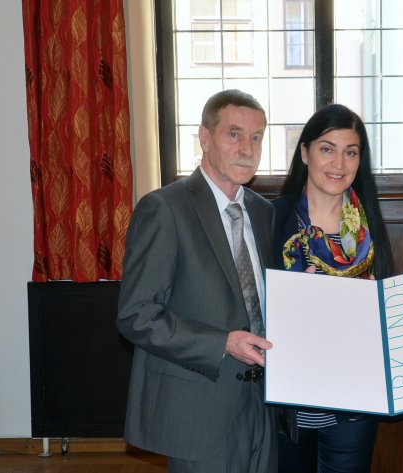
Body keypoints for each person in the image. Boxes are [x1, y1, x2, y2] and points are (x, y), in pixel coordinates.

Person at [116, 89, 277, 473]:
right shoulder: (165, 208)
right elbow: (137, 314)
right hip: (198, 407)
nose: (248, 149)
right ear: (204, 138)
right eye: (234, 134)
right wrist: (222, 343)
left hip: (263, 403)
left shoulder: (263, 212)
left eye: (256, 137)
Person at [272, 103, 394, 473]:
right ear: (304, 152)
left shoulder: (366, 226)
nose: (339, 163)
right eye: (327, 148)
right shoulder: (273, 218)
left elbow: (385, 309)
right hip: (291, 397)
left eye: (351, 152)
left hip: (354, 398)